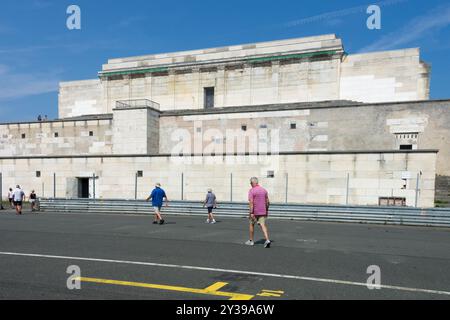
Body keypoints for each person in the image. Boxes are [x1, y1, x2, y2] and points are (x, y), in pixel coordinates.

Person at [246, 177, 271, 248]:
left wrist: (251, 212)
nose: (250, 184)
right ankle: (267, 240)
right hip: (263, 211)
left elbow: (251, 202)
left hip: (254, 211)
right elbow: (268, 202)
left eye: (250, 183)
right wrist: (266, 210)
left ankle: (251, 241)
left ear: (253, 183)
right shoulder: (264, 190)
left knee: (251, 225)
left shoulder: (251, 191)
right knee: (263, 225)